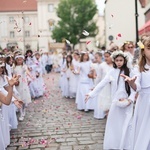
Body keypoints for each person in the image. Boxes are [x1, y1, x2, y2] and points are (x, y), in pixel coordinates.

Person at [85, 50, 136, 149]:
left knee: (126, 125)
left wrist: (130, 100)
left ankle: (126, 145)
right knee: (114, 125)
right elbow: (102, 83)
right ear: (114, 61)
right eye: (117, 60)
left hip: (127, 103)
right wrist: (91, 94)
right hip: (116, 103)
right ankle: (114, 145)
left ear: (124, 61)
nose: (119, 62)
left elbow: (135, 88)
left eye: (121, 60)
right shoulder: (112, 72)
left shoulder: (130, 71)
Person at [121, 35, 150, 150]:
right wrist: (132, 83)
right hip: (145, 104)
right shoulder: (139, 69)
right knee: (144, 131)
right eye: (149, 47)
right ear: (143, 51)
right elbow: (137, 85)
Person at [94, 51, 113, 119]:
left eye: (107, 56)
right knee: (104, 100)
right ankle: (104, 113)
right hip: (104, 87)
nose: (106, 58)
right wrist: (96, 86)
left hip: (112, 86)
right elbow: (98, 77)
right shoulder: (102, 65)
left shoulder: (115, 65)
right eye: (105, 56)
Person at [13, 53, 31, 121]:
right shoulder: (14, 67)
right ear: (16, 60)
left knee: (24, 98)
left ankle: (23, 110)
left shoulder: (24, 66)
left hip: (23, 83)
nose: (19, 61)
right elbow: (13, 75)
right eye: (18, 60)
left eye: (21, 60)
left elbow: (26, 71)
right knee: (19, 98)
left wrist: (30, 75)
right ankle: (21, 113)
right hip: (18, 84)